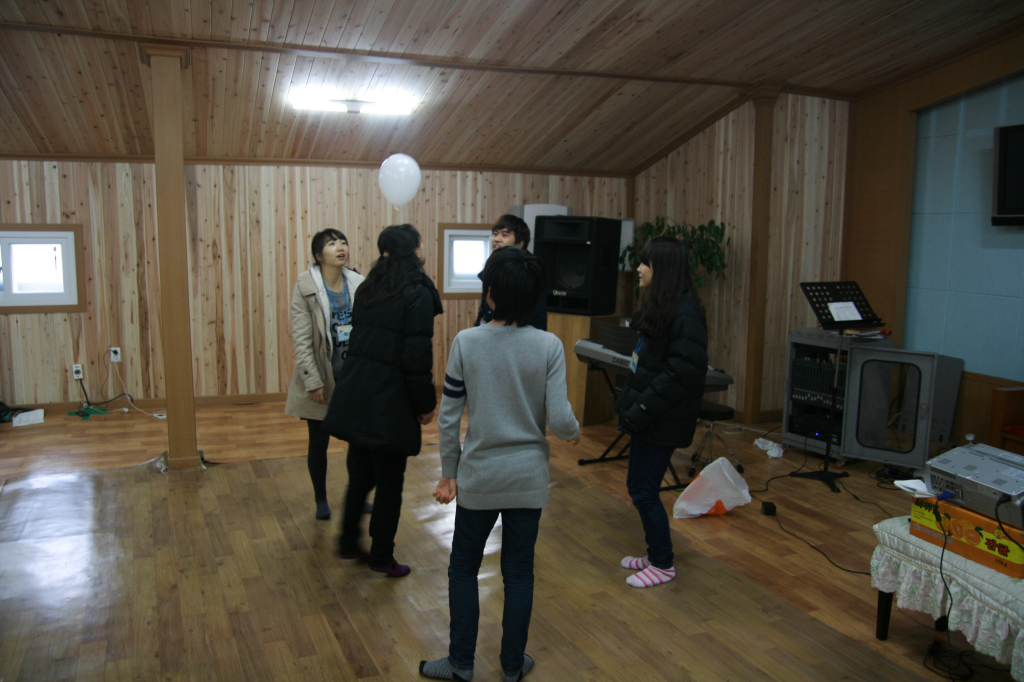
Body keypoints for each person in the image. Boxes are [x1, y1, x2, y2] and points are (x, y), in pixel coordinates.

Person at [421, 246, 580, 682]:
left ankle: (460, 664)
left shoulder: (466, 342)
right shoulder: (549, 345)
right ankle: (512, 667)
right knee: (519, 574)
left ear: (489, 293)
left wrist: (449, 473)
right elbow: (561, 419)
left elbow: (449, 417)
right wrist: (573, 432)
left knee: (463, 568)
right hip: (529, 478)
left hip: (480, 477)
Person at [322, 224, 443, 577]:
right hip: (391, 401)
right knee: (390, 484)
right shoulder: (417, 292)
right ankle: (381, 556)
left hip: (358, 394)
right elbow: (416, 357)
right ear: (415, 251)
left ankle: (347, 541)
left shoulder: (369, 285)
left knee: (361, 476)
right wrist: (425, 404)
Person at [615, 236, 707, 588]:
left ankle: (663, 563)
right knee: (637, 486)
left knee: (644, 490)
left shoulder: (686, 312)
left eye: (645, 263)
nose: (638, 269)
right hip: (649, 417)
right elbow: (645, 365)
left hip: (662, 419)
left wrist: (640, 408)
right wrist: (629, 403)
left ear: (663, 269)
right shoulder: (663, 306)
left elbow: (681, 374)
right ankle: (655, 553)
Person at [284, 229, 364, 521]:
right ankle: (321, 498)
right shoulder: (305, 288)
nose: (340, 247)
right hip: (323, 376)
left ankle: (357, 495)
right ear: (319, 255)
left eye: (343, 242)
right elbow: (302, 341)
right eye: (331, 244)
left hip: (353, 377)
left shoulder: (359, 284)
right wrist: (313, 382)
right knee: (319, 441)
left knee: (359, 442)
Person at [474, 215, 547, 330]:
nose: (497, 239)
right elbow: (484, 310)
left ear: (519, 244)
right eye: (495, 234)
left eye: (504, 235)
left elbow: (538, 317)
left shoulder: (529, 270)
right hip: (490, 332)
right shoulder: (492, 265)